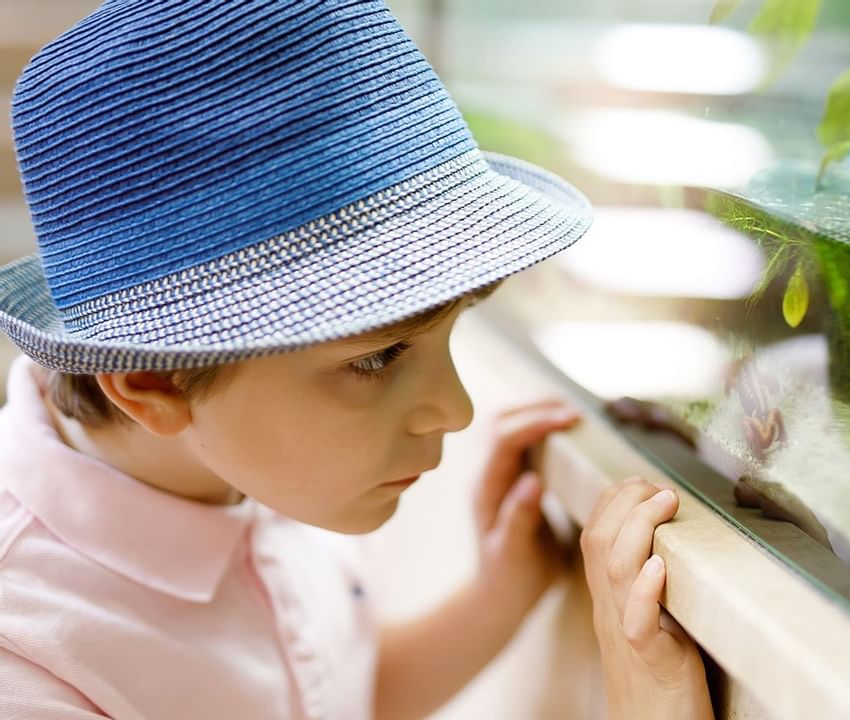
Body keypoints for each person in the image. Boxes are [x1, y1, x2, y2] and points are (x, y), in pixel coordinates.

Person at [0, 1, 712, 718]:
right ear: (151, 380)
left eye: (451, 328)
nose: (457, 411)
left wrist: (502, 593)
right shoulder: (28, 659)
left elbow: (328, 696)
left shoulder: (239, 459)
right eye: (379, 357)